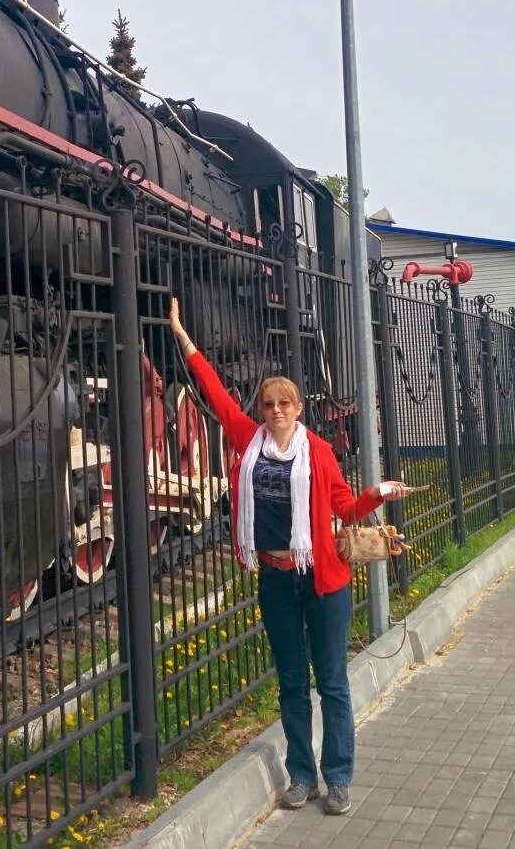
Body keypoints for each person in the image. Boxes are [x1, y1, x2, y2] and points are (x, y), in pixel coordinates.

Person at [168, 296, 416, 816]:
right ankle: (301, 775)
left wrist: (379, 494)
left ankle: (339, 777)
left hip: (322, 579)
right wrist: (183, 337)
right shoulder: (248, 440)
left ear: (298, 409)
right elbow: (214, 395)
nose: (276, 411)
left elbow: (346, 508)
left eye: (285, 404)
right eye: (268, 405)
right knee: (291, 685)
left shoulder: (318, 452)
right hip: (277, 578)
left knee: (331, 682)